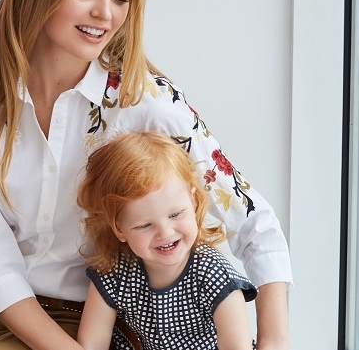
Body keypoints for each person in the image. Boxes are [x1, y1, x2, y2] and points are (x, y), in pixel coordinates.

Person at [0, 0, 292, 349]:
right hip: (1, 312)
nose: (106, 14)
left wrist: (274, 340)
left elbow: (254, 222)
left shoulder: (146, 102)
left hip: (95, 322)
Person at [77, 131, 257, 350]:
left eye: (175, 214)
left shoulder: (213, 274)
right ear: (119, 229)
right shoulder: (115, 272)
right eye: (145, 225)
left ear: (193, 202)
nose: (165, 233)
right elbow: (91, 343)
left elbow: (237, 346)